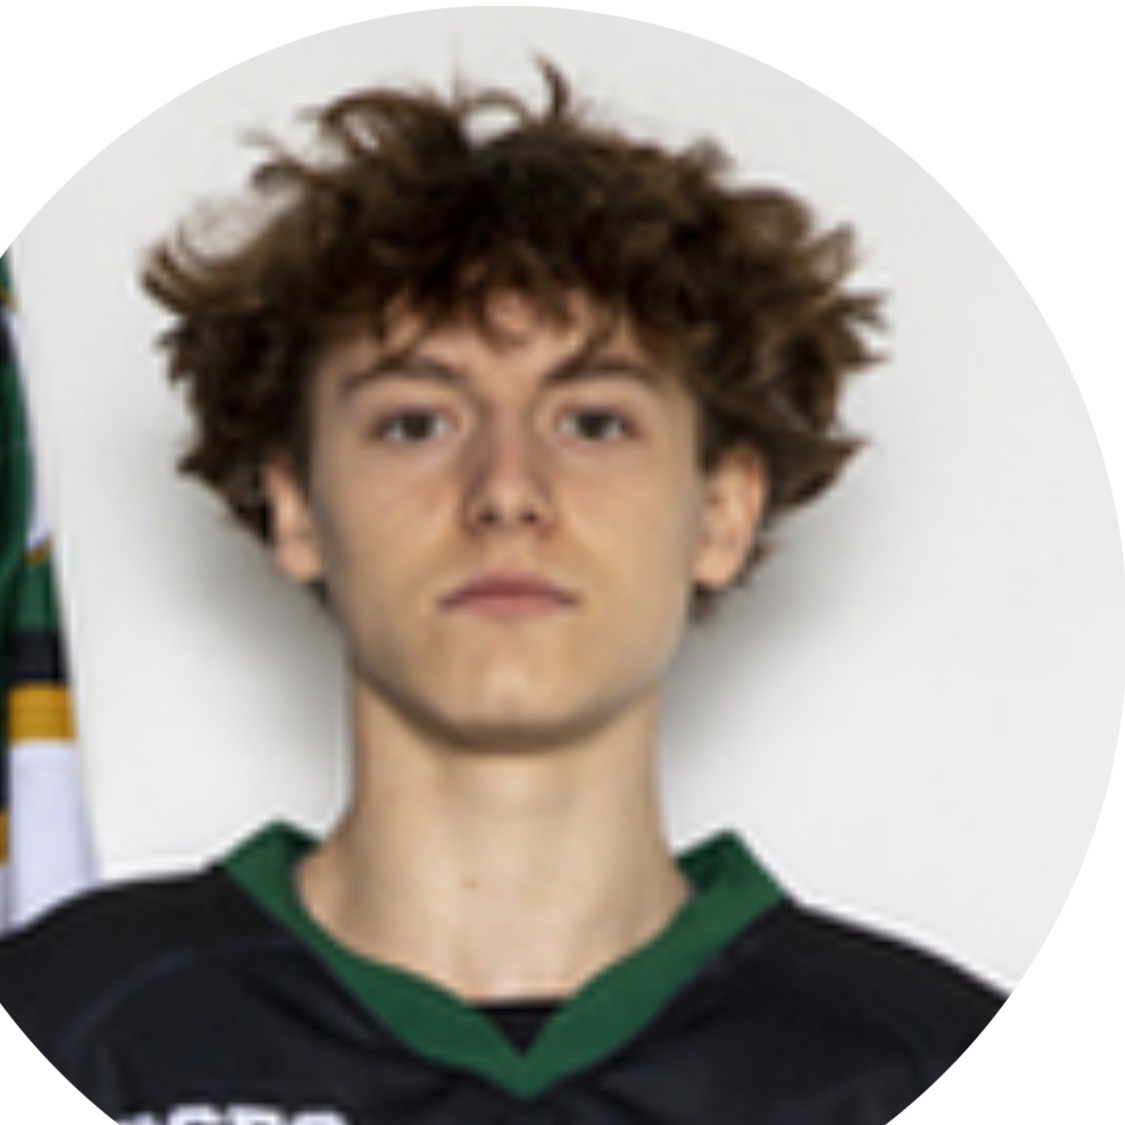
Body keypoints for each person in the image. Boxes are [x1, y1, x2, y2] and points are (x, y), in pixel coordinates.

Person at [0, 64, 1003, 1125]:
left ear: (721, 512)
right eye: (416, 424)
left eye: (595, 423)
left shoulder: (933, 1065)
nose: (507, 492)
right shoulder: (67, 1024)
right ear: (295, 507)